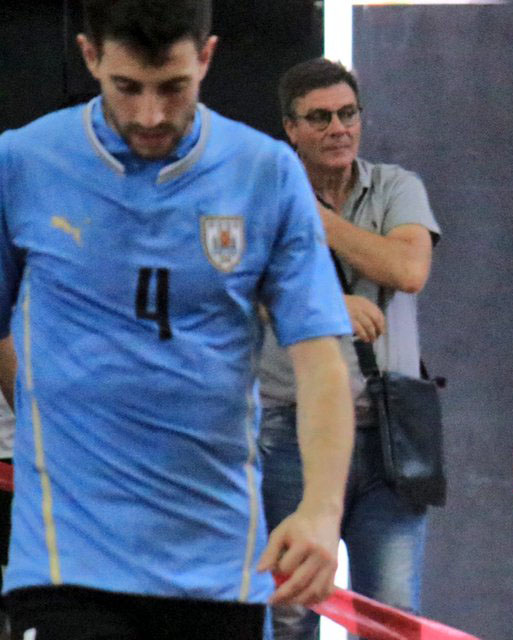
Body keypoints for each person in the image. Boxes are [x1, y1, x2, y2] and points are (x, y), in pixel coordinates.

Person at [0, 1, 354, 638]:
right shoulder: (22, 163)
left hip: (219, 565)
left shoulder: (265, 174)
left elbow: (321, 360)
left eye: (174, 88)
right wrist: (41, 414)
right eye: (126, 87)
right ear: (89, 57)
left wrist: (322, 511)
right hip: (68, 566)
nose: (150, 115)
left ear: (208, 57)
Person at [256, 57, 440, 639]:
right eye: (319, 118)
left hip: (391, 434)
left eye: (347, 114)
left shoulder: (394, 186)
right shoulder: (260, 194)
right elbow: (247, 291)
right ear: (290, 128)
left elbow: (408, 268)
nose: (338, 128)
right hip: (291, 432)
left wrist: (311, 219)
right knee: (288, 610)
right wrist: (334, 309)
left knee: (391, 616)